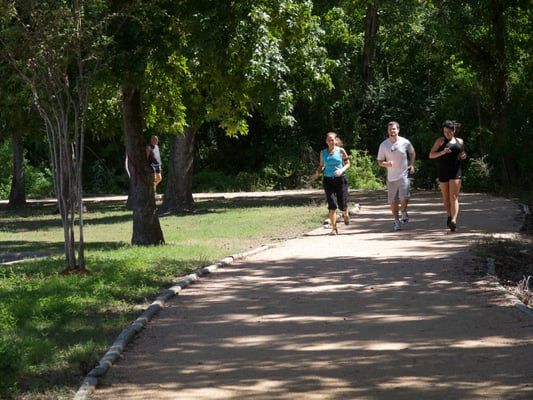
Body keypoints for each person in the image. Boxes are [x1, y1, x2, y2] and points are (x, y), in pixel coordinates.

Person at [377, 121, 416, 231]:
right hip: (391, 177)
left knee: (404, 197)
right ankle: (396, 221)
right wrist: (386, 164)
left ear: (398, 130)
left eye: (394, 129)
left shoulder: (405, 142)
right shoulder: (384, 145)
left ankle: (403, 211)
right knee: (393, 201)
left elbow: (412, 152)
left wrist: (412, 164)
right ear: (387, 131)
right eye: (390, 129)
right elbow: (379, 161)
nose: (392, 131)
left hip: (403, 175)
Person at [428, 120, 467, 232]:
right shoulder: (440, 141)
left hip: (456, 171)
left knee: (453, 197)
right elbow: (431, 155)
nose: (447, 134)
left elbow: (462, 153)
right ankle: (449, 216)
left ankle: (454, 221)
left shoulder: (460, 141)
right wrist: (442, 152)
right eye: (445, 132)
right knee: (446, 197)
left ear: (454, 130)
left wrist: (463, 155)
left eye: (449, 132)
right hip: (443, 171)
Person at [311, 132, 351, 236]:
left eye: (332, 140)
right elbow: (321, 165)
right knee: (332, 204)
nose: (331, 142)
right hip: (328, 180)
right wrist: (317, 173)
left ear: (336, 141)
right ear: (326, 141)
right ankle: (334, 228)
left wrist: (341, 170)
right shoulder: (322, 152)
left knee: (342, 204)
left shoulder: (341, 151)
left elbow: (348, 163)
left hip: (340, 179)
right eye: (329, 140)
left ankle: (345, 214)